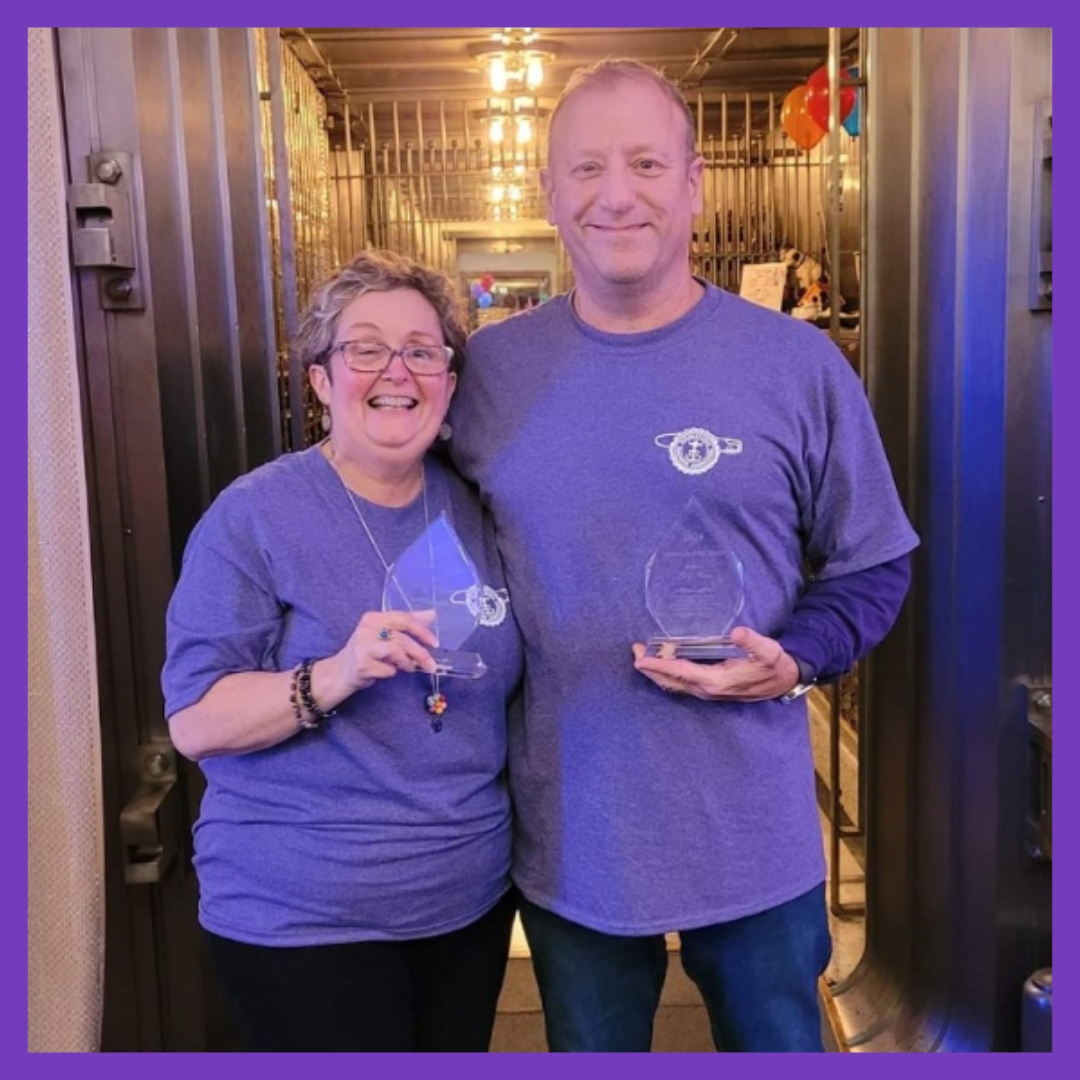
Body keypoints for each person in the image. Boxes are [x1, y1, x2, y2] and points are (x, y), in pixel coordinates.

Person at [449, 59, 919, 1053]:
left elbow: (873, 564)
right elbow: (425, 549)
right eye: (585, 169)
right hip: (572, 840)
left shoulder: (796, 364)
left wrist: (797, 656)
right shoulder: (487, 374)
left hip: (757, 839)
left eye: (647, 163)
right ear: (547, 195)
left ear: (695, 184)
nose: (616, 194)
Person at [161, 250, 523, 1052]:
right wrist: (331, 676)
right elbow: (194, 721)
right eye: (365, 348)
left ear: (450, 380)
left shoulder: (477, 507)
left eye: (423, 351)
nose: (397, 371)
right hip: (304, 915)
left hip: (465, 904)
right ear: (322, 379)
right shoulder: (254, 516)